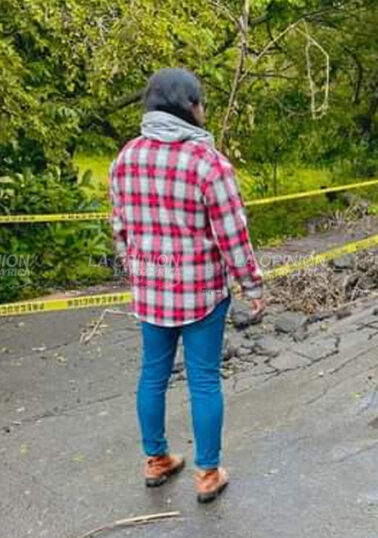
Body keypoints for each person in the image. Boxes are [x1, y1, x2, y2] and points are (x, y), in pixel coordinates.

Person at [109, 68, 266, 503]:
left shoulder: (125, 158)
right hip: (200, 292)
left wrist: (138, 269)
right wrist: (253, 287)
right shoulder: (209, 164)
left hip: (150, 290)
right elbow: (232, 236)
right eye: (200, 102)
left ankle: (156, 459)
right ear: (190, 106)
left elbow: (120, 228)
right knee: (203, 381)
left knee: (152, 375)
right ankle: (207, 473)